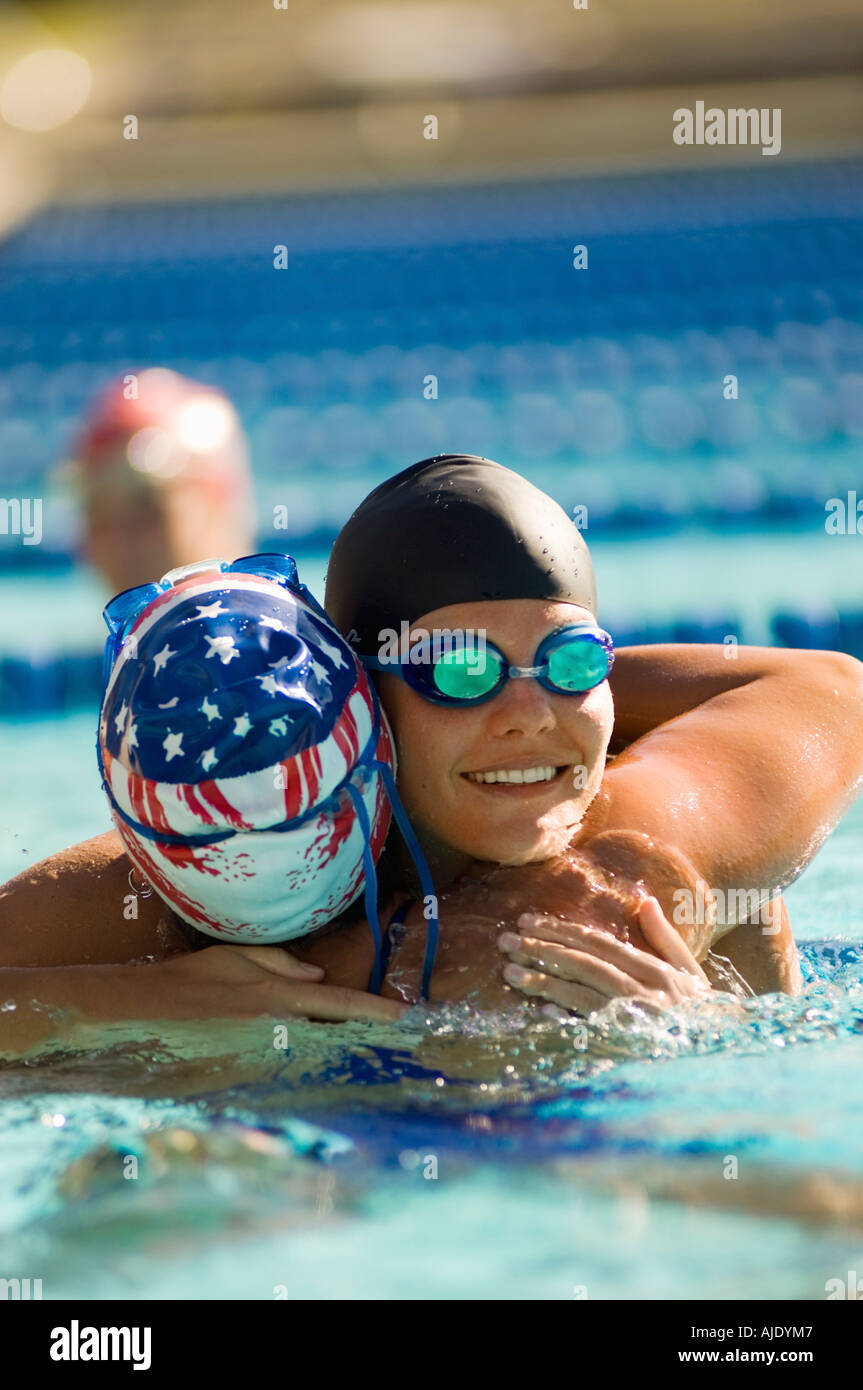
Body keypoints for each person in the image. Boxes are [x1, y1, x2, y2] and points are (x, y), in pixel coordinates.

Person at [2, 457, 862, 1053]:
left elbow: (834, 687)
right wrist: (134, 1003)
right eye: (457, 671)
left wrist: (703, 1038)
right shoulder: (215, 866)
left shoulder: (626, 859)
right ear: (360, 704)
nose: (528, 715)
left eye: (574, 662)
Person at [68, 367, 255, 594]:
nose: (122, 546)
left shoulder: (291, 626)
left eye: (148, 511)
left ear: (219, 508)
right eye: (100, 518)